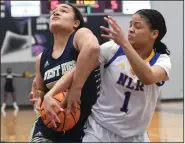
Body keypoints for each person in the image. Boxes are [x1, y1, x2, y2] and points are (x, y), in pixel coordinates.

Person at [82, 9, 171, 142]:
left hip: (136, 136)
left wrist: (124, 43)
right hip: (99, 130)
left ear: (154, 33)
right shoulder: (113, 49)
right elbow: (79, 69)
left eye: (137, 26)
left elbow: (148, 78)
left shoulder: (162, 61)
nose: (130, 29)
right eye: (130, 25)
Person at [29, 3, 100, 143]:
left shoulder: (80, 35)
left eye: (63, 11)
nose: (56, 13)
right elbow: (41, 93)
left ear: (76, 23)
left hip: (85, 125)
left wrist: (76, 88)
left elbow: (92, 48)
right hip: (50, 124)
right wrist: (38, 99)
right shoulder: (41, 58)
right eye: (54, 11)